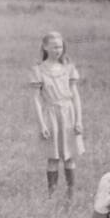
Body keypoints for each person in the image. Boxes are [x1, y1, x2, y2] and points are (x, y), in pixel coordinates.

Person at [31, 31, 84, 199]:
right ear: (45, 47)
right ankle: (51, 194)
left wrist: (78, 120)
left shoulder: (68, 68)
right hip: (51, 115)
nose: (57, 50)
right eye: (54, 47)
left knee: (69, 156)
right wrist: (42, 124)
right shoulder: (38, 70)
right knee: (53, 157)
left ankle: (71, 193)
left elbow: (75, 96)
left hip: (68, 114)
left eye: (60, 46)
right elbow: (36, 99)